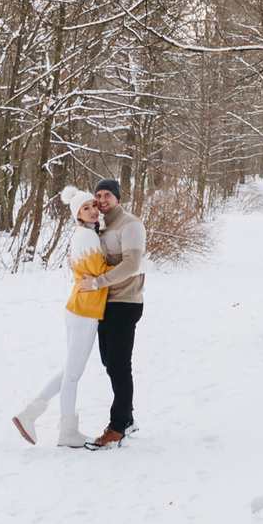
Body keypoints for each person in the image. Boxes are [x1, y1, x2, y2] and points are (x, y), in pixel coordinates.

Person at [11, 192, 114, 449]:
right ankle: (67, 430)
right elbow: (100, 272)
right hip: (85, 312)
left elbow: (82, 267)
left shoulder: (84, 234)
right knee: (73, 375)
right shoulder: (88, 236)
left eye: (93, 205)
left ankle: (29, 414)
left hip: (77, 308)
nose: (93, 210)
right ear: (77, 214)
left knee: (69, 370)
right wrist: (135, 266)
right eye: (85, 208)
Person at [83, 178, 148, 448]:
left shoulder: (130, 224)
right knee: (109, 362)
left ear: (117, 197)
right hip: (106, 303)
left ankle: (118, 426)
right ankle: (127, 418)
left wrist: (97, 282)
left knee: (120, 366)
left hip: (126, 302)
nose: (102, 200)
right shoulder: (102, 227)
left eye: (107, 195)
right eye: (98, 195)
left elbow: (131, 264)